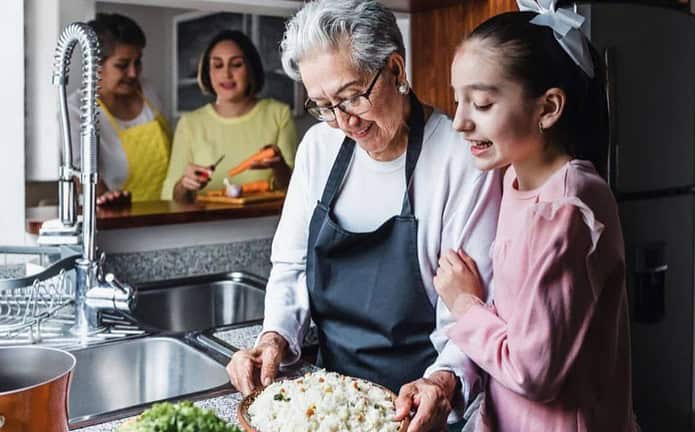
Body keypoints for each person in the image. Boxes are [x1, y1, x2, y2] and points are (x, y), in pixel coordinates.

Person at [225, 1, 501, 430]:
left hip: (419, 412)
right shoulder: (319, 149)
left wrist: (443, 381)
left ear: (395, 69)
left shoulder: (460, 158)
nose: (342, 121)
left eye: (352, 97)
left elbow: (469, 306)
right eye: (323, 105)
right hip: (333, 407)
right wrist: (274, 337)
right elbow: (291, 266)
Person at [433, 3, 636, 431]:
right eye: (458, 101)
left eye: (482, 103)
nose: (459, 122)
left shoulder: (568, 209)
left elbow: (533, 371)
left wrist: (464, 304)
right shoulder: (516, 182)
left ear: (547, 108)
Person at [162, 30, 297, 203]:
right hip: (204, 226)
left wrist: (280, 168)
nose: (226, 74)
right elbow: (168, 196)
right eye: (218, 66)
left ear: (250, 69)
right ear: (208, 73)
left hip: (264, 224)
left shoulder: (279, 114)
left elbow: (296, 191)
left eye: (236, 64)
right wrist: (184, 185)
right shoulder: (190, 123)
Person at [69, 13, 172, 205]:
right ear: (95, 65)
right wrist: (107, 199)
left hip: (164, 212)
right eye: (122, 65)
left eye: (138, 62)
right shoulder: (76, 109)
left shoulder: (148, 91)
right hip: (115, 219)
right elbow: (82, 175)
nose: (133, 73)